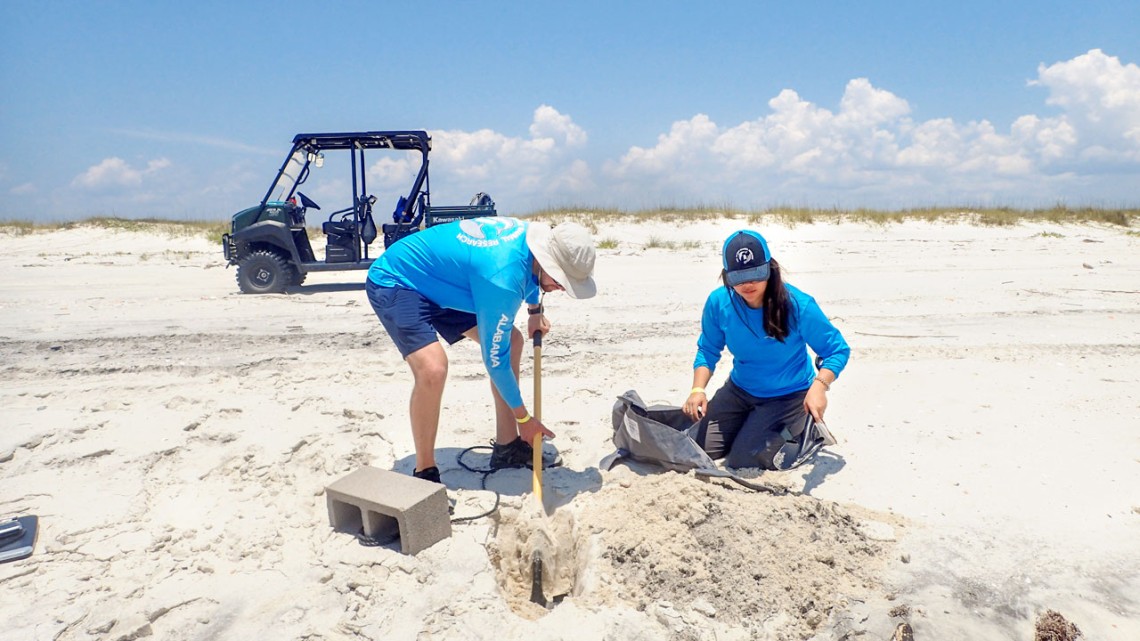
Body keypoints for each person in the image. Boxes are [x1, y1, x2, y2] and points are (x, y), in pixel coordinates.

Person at [366, 217, 597, 484]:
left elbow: (533, 272)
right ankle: (425, 472)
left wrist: (535, 310)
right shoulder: (502, 278)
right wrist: (524, 417)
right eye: (561, 281)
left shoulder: (534, 243)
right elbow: (495, 360)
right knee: (433, 369)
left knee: (515, 342)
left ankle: (507, 446)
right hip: (398, 279)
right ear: (547, 260)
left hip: (449, 282)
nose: (561, 288)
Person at [681, 230, 850, 470]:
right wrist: (697, 389)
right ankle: (750, 425)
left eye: (756, 275)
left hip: (788, 396)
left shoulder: (799, 305)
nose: (748, 284)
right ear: (727, 276)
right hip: (740, 390)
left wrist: (819, 387)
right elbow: (708, 349)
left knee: (742, 460)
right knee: (695, 449)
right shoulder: (719, 302)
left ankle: (805, 430)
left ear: (770, 269)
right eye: (739, 277)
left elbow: (837, 350)